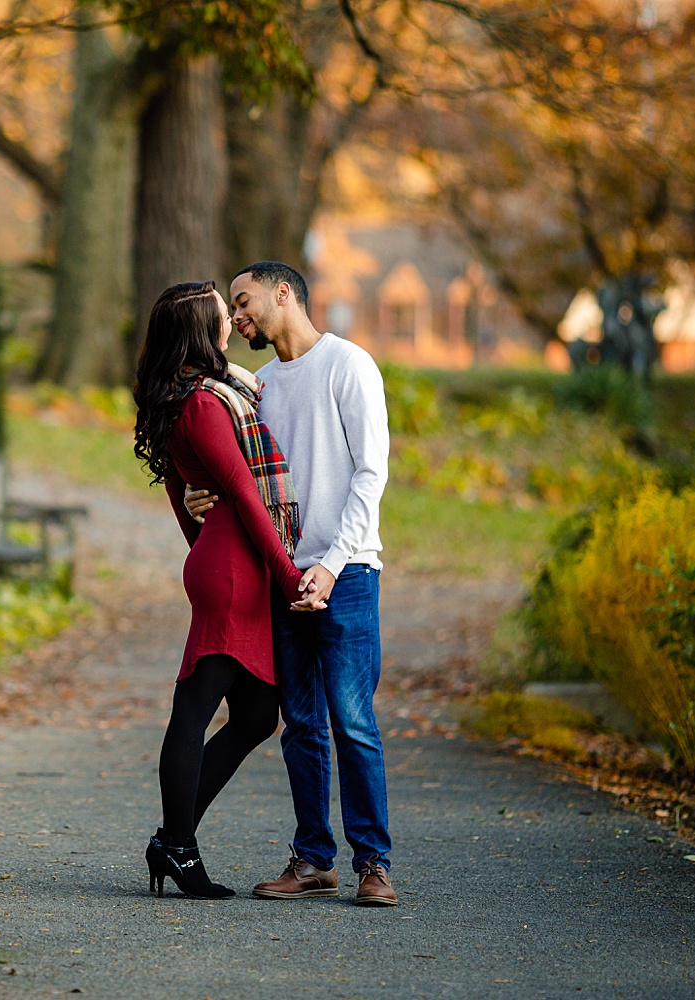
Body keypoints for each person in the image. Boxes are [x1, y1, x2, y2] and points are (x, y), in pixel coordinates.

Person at [186, 261, 397, 907]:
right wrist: (205, 496)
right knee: (300, 723)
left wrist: (331, 565)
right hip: (281, 575)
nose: (238, 317)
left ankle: (373, 865)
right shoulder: (259, 386)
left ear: (284, 294)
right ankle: (313, 860)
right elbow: (246, 477)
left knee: (352, 720)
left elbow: (370, 473)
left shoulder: (348, 364)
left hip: (348, 572)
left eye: (244, 302)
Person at [132, 281, 313, 899]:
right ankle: (179, 846)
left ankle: (170, 839)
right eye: (220, 315)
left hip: (230, 564)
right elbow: (242, 490)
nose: (231, 323)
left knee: (259, 715)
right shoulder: (205, 404)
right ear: (198, 330)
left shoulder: (200, 393)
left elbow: (185, 493)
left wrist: (196, 533)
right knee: (195, 709)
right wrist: (287, 575)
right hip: (234, 573)